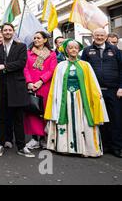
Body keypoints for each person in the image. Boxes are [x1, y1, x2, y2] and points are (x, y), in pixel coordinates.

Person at [45, 39, 109, 157]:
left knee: (84, 121)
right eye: (71, 48)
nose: (73, 50)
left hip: (82, 99)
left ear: (79, 50)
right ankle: (65, 147)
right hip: (66, 98)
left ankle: (85, 149)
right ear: (66, 50)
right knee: (66, 119)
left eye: (76, 48)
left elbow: (92, 83)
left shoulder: (86, 65)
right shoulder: (60, 66)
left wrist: (96, 98)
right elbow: (56, 85)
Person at [0, 23, 34, 158]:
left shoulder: (21, 47)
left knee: (18, 118)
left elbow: (21, 63)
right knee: (2, 117)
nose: (7, 32)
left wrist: (4, 66)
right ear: (2, 32)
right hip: (1, 87)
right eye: (5, 30)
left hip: (17, 87)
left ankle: (22, 146)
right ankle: (0, 143)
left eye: (10, 30)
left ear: (13, 32)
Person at [81, 29, 122, 158]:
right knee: (100, 119)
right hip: (95, 91)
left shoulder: (115, 51)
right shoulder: (87, 51)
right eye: (97, 35)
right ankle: (104, 145)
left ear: (106, 37)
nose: (99, 37)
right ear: (93, 36)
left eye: (102, 35)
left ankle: (117, 147)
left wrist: (121, 87)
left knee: (116, 119)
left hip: (114, 91)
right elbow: (83, 70)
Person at [23, 31, 58, 150]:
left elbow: (52, 70)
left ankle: (44, 138)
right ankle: (34, 139)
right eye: (34, 38)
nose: (36, 40)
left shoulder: (52, 54)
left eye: (38, 38)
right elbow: (25, 68)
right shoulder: (28, 53)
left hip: (45, 86)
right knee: (32, 112)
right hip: (31, 86)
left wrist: (41, 81)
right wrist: (29, 82)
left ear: (44, 40)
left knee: (44, 112)